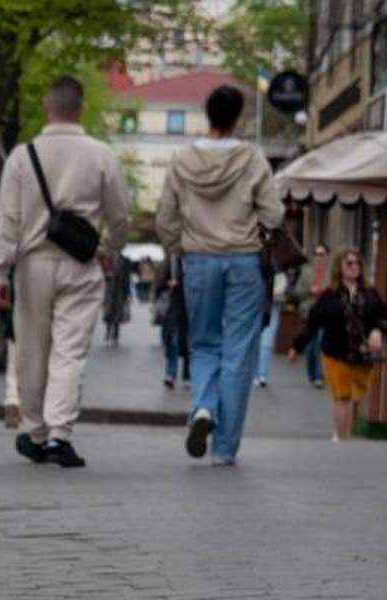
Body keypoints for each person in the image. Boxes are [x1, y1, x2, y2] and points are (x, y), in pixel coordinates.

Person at [0, 74, 128, 469]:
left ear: (47, 109)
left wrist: (0, 273)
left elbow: (7, 220)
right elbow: (120, 216)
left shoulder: (22, 156)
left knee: (32, 351)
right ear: (80, 108)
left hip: (33, 263)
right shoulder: (102, 154)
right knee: (70, 352)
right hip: (81, 263)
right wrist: (107, 248)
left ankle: (34, 431)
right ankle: (59, 435)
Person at [155, 84, 283, 468]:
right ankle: (225, 449)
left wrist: (181, 246)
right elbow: (274, 216)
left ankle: (203, 407)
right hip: (243, 261)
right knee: (238, 351)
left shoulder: (182, 159)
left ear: (206, 114)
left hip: (199, 259)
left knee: (203, 343)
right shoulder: (253, 158)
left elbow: (164, 218)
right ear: (238, 117)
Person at [290, 245, 387, 441]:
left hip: (361, 354)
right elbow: (313, 323)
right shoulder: (329, 295)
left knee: (353, 397)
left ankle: (345, 437)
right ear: (339, 268)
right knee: (342, 396)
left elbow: (382, 316)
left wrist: (377, 331)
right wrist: (297, 347)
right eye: (349, 263)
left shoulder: (370, 293)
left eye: (357, 263)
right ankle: (339, 437)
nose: (354, 267)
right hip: (335, 352)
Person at [154, 259, 190, 390]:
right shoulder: (172, 261)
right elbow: (159, 284)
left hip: (191, 308)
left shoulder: (195, 259)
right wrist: (168, 284)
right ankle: (171, 374)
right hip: (174, 308)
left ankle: (187, 376)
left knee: (189, 343)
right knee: (173, 342)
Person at [301, 243, 329, 388]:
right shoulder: (306, 271)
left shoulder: (331, 274)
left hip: (325, 313)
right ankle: (312, 374)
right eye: (317, 254)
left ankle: (319, 376)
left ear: (326, 256)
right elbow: (297, 292)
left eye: (322, 254)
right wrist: (309, 291)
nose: (319, 258)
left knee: (319, 343)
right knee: (310, 345)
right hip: (309, 312)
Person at [254, 270, 285, 388]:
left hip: (272, 308)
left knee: (267, 343)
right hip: (256, 308)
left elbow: (281, 290)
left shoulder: (278, 274)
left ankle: (262, 375)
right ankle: (255, 373)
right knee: (255, 342)